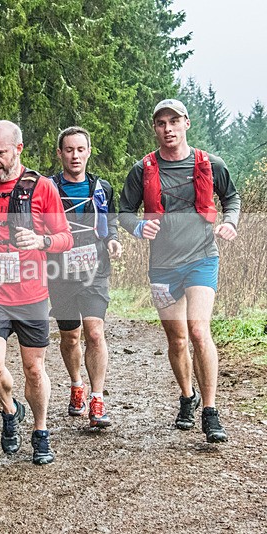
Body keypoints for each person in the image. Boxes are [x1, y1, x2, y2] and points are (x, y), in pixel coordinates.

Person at [119, 99, 240, 443]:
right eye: (161, 123)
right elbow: (125, 211)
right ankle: (187, 396)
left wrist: (230, 222)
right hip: (162, 266)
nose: (168, 128)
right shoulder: (142, 169)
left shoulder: (209, 163)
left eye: (174, 121)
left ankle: (211, 411)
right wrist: (139, 228)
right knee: (177, 339)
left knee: (199, 331)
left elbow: (231, 198)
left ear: (186, 123)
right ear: (154, 128)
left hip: (202, 258)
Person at [0, 120, 72, 464]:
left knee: (33, 369)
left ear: (18, 150)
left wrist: (41, 241)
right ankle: (10, 411)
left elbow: (65, 237)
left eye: (0, 153)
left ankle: (40, 431)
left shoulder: (42, 188)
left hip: (31, 293)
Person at [47, 127, 123, 428]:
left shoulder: (102, 187)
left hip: (95, 269)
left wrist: (113, 239)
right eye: (69, 150)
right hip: (60, 271)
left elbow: (111, 220)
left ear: (89, 151)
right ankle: (76, 384)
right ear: (60, 153)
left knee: (94, 332)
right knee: (70, 336)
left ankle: (97, 398)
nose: (75, 155)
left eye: (80, 149)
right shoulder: (48, 188)